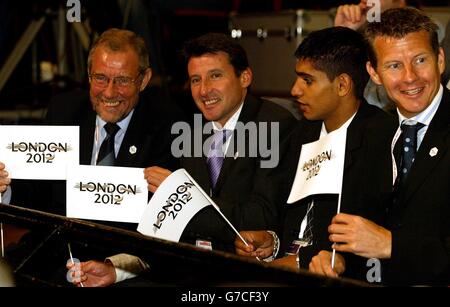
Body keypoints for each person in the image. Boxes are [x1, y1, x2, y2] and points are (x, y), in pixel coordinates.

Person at [68, 32, 296, 287]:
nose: (204, 90)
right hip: (191, 271)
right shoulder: (191, 130)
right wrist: (118, 269)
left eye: (215, 76)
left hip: (247, 278)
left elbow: (259, 217)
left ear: (245, 77)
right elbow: (169, 232)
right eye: (195, 79)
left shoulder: (273, 125)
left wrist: (180, 196)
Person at [234, 26, 392, 281]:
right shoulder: (301, 133)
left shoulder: (381, 140)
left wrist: (299, 261)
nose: (295, 90)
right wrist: (271, 241)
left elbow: (368, 243)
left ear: (342, 85)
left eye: (307, 80)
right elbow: (285, 214)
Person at [328, 8, 449, 285]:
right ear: (374, 73)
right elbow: (359, 228)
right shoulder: (370, 133)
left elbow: (384, 241)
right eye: (394, 65)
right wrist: (338, 259)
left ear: (440, 60)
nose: (410, 77)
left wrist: (392, 245)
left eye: (420, 60)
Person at [10, 28, 179, 219]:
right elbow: (37, 190)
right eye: (100, 78)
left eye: (122, 80)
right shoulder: (63, 112)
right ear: (89, 75)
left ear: (143, 80)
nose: (109, 93)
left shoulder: (167, 126)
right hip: (62, 242)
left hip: (128, 246)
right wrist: (5, 188)